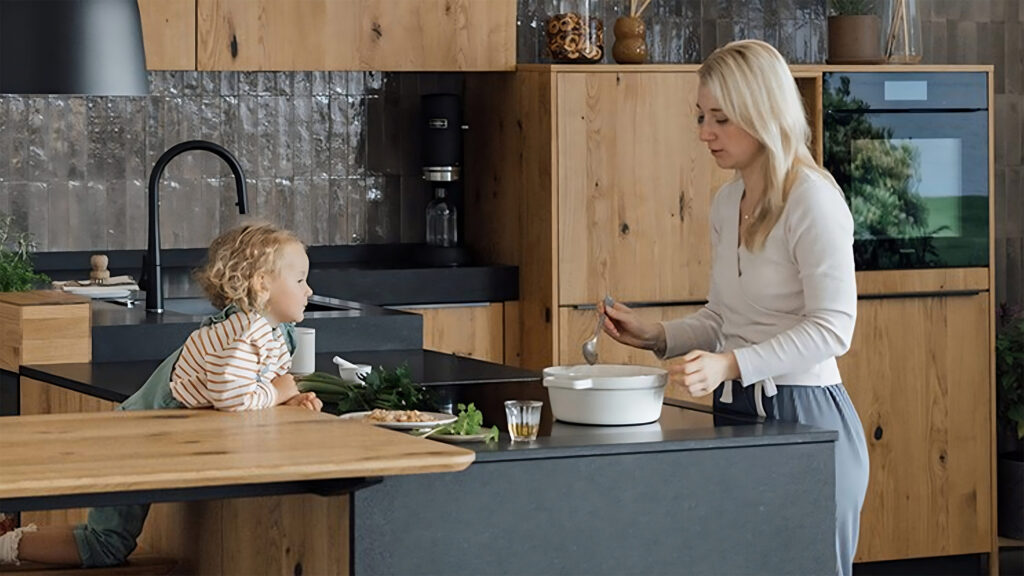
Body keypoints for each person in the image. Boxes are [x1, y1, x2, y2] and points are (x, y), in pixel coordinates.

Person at [599, 40, 869, 576]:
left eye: (720, 119)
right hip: (738, 414)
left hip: (806, 418)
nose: (705, 132)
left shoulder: (813, 199)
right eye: (701, 117)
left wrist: (732, 364)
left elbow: (834, 328)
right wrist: (656, 335)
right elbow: (723, 317)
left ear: (763, 112)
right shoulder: (728, 203)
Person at [0, 222, 323, 567]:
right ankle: (4, 547)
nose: (309, 290)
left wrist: (288, 396)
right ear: (262, 283)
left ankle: (6, 541)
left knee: (105, 542)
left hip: (152, 438)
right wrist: (279, 391)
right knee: (105, 545)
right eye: (300, 280)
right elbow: (233, 398)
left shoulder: (270, 331)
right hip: (135, 440)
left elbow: (259, 380)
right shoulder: (242, 335)